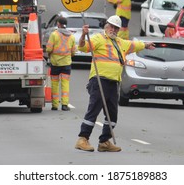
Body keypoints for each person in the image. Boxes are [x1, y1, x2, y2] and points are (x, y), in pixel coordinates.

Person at [74, 15, 155, 152]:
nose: (113, 29)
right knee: (94, 110)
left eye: (116, 28)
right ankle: (82, 139)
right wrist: (83, 35)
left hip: (114, 81)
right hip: (100, 79)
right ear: (106, 26)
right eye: (111, 26)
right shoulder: (99, 38)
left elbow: (134, 45)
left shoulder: (120, 42)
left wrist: (146, 45)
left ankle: (104, 141)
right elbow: (83, 47)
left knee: (112, 114)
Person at [46, 17, 76, 111]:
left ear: (58, 24)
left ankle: (55, 105)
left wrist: (50, 54)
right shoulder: (71, 36)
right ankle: (64, 105)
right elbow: (74, 51)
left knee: (55, 84)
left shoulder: (54, 35)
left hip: (55, 63)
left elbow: (49, 49)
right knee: (65, 84)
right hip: (66, 63)